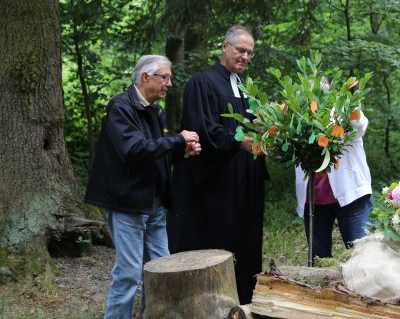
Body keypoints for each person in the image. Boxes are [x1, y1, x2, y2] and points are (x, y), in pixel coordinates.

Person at [84, 55, 202, 319]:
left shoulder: (155, 111)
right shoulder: (120, 108)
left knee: (162, 269)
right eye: (165, 77)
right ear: (145, 77)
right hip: (127, 204)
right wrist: (176, 140)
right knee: (128, 273)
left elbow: (156, 155)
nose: (169, 84)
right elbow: (133, 150)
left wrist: (182, 150)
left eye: (170, 78)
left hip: (155, 204)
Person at [167, 25, 268, 304]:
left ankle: (244, 298)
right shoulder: (203, 82)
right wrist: (239, 143)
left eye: (250, 53)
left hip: (246, 180)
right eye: (240, 50)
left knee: (245, 242)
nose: (245, 57)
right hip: (218, 182)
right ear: (225, 47)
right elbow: (202, 129)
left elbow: (254, 126)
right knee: (220, 242)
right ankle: (214, 300)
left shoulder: (244, 87)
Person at [294, 108, 373, 259]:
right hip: (314, 200)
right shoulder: (297, 117)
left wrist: (352, 108)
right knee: (319, 259)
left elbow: (360, 126)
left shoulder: (342, 112)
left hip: (351, 196)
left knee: (363, 256)